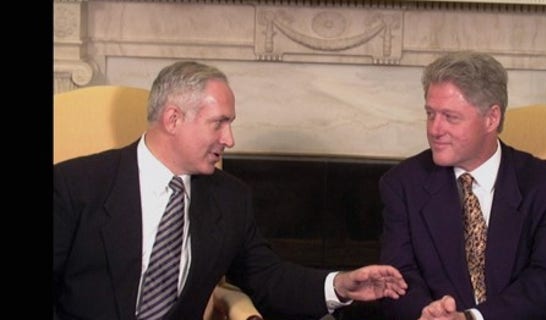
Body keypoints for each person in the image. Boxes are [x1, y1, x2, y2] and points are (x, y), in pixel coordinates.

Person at [53, 61, 408, 320]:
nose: (230, 139)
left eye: (230, 124)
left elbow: (269, 279)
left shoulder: (229, 198)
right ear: (173, 119)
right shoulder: (76, 185)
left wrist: (341, 286)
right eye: (218, 123)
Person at [378, 51, 546, 320]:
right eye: (430, 114)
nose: (435, 129)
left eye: (450, 117)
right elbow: (399, 276)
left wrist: (472, 318)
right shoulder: (402, 184)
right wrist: (427, 313)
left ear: (491, 118)